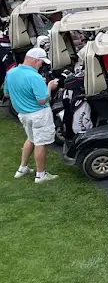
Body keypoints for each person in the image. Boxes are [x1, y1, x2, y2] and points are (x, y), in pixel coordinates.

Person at [5, 47, 59, 183]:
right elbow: (42, 99)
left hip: (23, 114)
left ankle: (22, 168)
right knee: (41, 143)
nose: (41, 64)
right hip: (39, 114)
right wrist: (49, 87)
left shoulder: (11, 73)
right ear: (35, 60)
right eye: (41, 62)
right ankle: (40, 175)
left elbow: (6, 94)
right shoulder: (35, 77)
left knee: (31, 139)